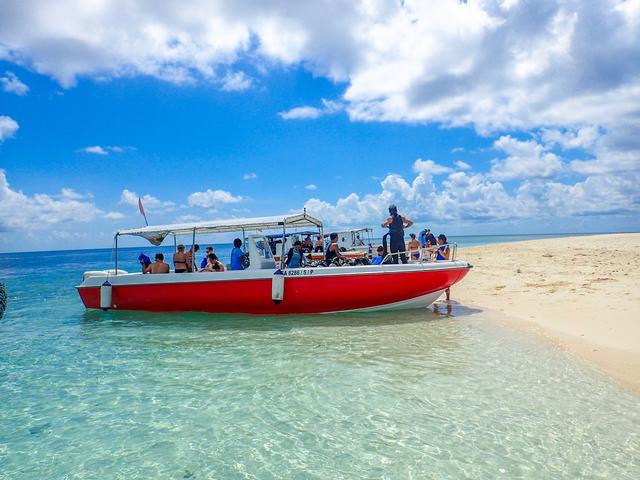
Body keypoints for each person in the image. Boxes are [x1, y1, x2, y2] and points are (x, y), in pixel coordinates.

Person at [436, 234, 451, 300]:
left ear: (441, 240)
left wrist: (439, 250)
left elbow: (446, 256)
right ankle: (435, 297)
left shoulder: (446, 247)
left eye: (438, 240)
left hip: (444, 266)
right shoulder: (440, 246)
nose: (437, 241)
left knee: (446, 284)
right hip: (438, 265)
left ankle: (448, 298)